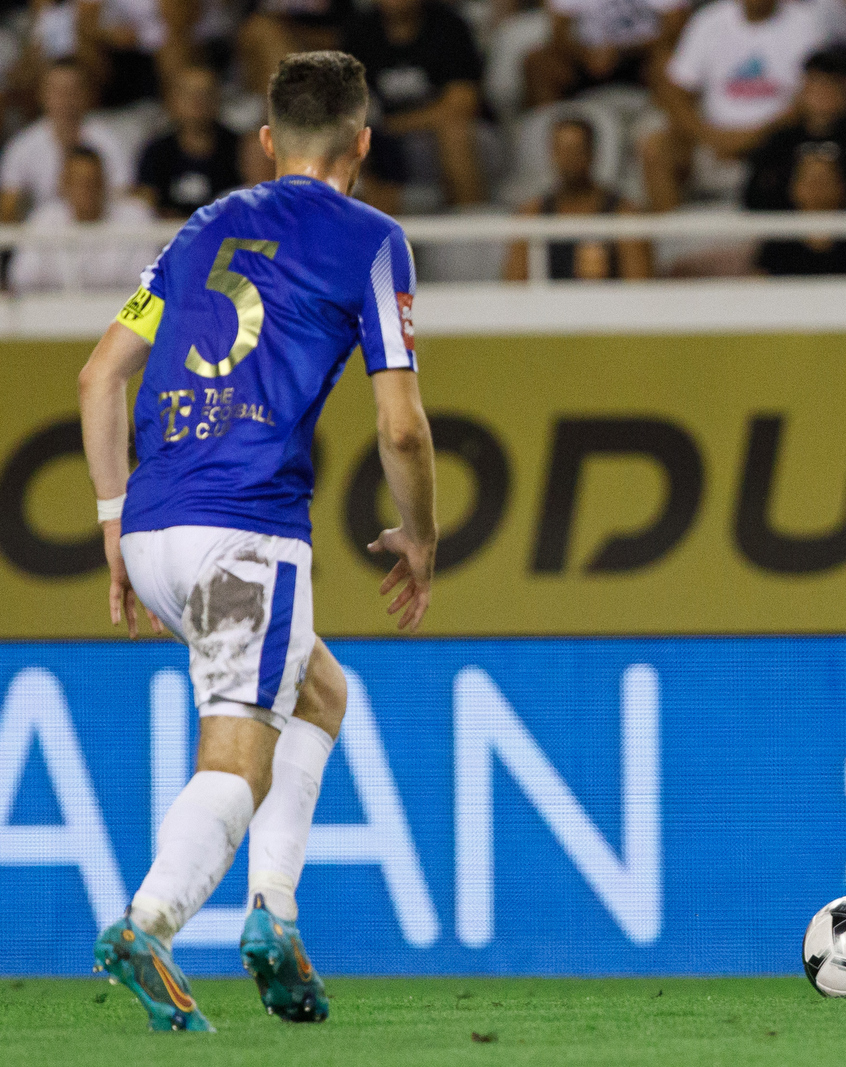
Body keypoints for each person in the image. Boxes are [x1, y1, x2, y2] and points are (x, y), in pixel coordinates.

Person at [79, 51, 438, 1031]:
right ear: (363, 142)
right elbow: (401, 426)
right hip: (244, 532)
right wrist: (421, 535)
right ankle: (148, 921)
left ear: (268, 142)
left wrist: (113, 522)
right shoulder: (371, 238)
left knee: (322, 691)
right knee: (237, 752)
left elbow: (99, 376)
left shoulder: (198, 228)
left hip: (155, 526)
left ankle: (273, 917)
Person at [643, 0, 832, 211]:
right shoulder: (709, 21)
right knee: (656, 147)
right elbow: (676, 92)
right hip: (713, 143)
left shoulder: (806, 24)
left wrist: (749, 139)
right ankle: (674, 239)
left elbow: (813, 96)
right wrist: (708, 135)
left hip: (779, 143)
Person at [343, 0, 487, 214]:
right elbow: (345, 106)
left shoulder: (449, 26)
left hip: (448, 138)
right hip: (383, 140)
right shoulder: (360, 31)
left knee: (453, 130)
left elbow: (462, 104)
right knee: (352, 141)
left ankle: (471, 232)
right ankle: (370, 237)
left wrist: (392, 124)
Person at [503, 116, 652, 280]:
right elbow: (514, 287)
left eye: (575, 150)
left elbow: (639, 286)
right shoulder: (532, 213)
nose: (569, 159)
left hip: (609, 303)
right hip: (547, 304)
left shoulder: (623, 213)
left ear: (592, 152)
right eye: (561, 151)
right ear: (551, 153)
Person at [743, 46, 846, 211]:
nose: (824, 94)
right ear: (804, 90)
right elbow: (754, 197)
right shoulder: (779, 142)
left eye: (832, 86)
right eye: (818, 86)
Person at [0, 59, 133, 223]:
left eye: (73, 91)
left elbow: (122, 198)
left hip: (98, 229)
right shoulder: (22, 147)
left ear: (86, 94)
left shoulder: (109, 142)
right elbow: (8, 207)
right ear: (42, 95)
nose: (66, 99)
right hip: (43, 234)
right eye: (58, 91)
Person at [11, 146, 160, 292]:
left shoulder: (136, 218)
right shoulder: (43, 220)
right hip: (57, 313)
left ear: (104, 182)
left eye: (92, 181)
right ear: (63, 184)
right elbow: (23, 280)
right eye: (78, 182)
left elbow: (146, 284)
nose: (86, 189)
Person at [755, 147, 846, 274]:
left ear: (842, 186)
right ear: (794, 188)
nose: (817, 187)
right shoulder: (780, 237)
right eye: (810, 180)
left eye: (825, 180)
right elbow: (761, 284)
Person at [523, 0, 689, 106]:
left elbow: (675, 28)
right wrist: (585, 55)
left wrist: (622, 52)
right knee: (538, 63)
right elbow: (559, 32)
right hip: (587, 58)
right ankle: (555, 141)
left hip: (642, 56)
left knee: (669, 63)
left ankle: (663, 137)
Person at [136, 66, 242, 218]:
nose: (197, 102)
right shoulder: (157, 151)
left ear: (218, 98)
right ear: (172, 101)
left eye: (205, 94)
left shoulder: (238, 148)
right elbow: (147, 201)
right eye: (189, 95)